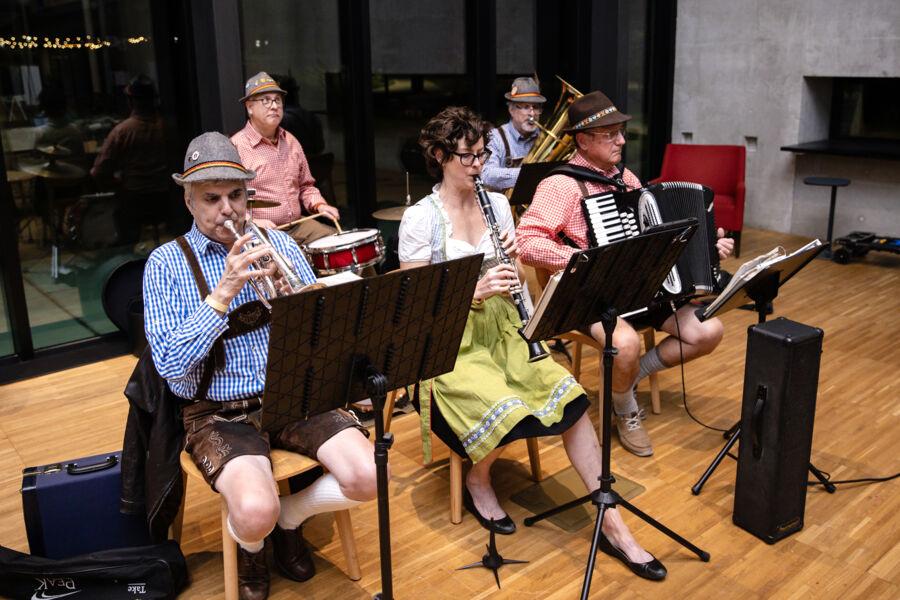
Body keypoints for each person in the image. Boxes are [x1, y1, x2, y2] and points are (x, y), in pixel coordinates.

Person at [398, 106, 666, 581]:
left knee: (574, 401)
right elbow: (418, 308)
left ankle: (614, 523)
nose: (479, 166)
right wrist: (473, 290)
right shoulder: (420, 220)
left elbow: (520, 276)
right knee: (509, 404)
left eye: (483, 155)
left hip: (505, 329)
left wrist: (518, 278)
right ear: (440, 156)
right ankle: (479, 481)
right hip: (451, 344)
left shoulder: (497, 204)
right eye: (468, 157)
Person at [143, 132, 376, 600]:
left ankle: (291, 516)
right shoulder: (166, 263)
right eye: (211, 198)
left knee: (371, 475)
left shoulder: (278, 244)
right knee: (253, 512)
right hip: (217, 410)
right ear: (189, 201)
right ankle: (253, 543)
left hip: (292, 394)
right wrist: (224, 291)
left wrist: (288, 295)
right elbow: (171, 368)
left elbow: (321, 327)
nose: (227, 210)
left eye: (236, 195)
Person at [516, 91, 734, 458]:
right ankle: (623, 406)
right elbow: (528, 242)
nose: (620, 140)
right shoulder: (561, 185)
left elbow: (655, 229)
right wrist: (586, 259)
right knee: (626, 344)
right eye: (610, 134)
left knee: (708, 331)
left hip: (640, 288)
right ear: (583, 140)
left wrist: (707, 247)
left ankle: (628, 379)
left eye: (620, 132)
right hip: (588, 295)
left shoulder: (625, 177)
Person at [231, 72, 339, 246]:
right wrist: (253, 222)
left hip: (296, 225)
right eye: (266, 100)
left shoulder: (290, 140)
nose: (274, 106)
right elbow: (229, 200)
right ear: (249, 107)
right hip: (260, 231)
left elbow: (306, 186)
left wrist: (320, 205)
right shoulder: (236, 147)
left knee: (338, 243)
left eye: (278, 100)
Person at [90, 74, 169, 242]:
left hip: (134, 199)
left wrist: (116, 183)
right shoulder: (167, 126)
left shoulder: (122, 131)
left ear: (130, 101)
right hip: (166, 197)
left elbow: (99, 171)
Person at [480, 76, 546, 192]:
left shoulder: (545, 137)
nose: (532, 114)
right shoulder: (496, 137)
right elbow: (486, 175)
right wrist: (528, 174)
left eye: (536, 107)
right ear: (511, 110)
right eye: (526, 107)